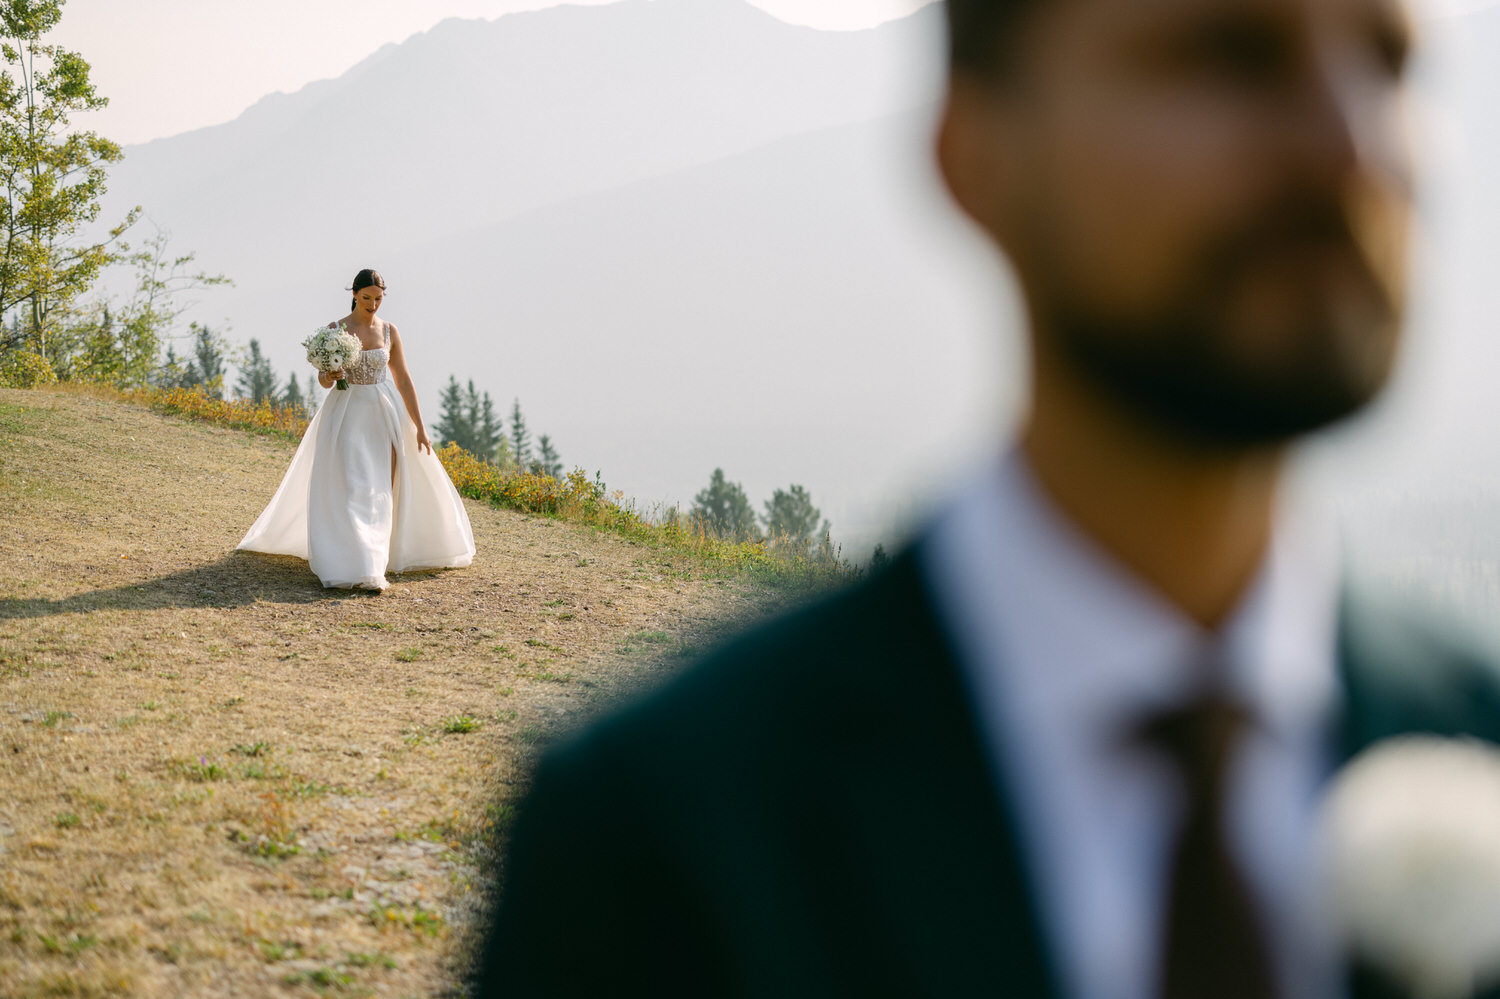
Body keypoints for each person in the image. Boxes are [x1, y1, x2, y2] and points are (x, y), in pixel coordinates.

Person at [476, 0, 1500, 996]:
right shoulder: (658, 834)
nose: (1353, 149)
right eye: (1227, 54)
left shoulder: (1472, 732)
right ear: (976, 155)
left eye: (1388, 58)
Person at [238, 268, 475, 590]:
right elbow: (323, 379)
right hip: (347, 413)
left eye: (378, 299)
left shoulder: (389, 331)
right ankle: (359, 563)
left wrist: (420, 427)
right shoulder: (335, 331)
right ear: (354, 295)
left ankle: (375, 558)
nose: (373, 304)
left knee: (381, 487)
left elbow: (403, 379)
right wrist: (330, 375)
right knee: (355, 486)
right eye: (367, 298)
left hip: (383, 413)